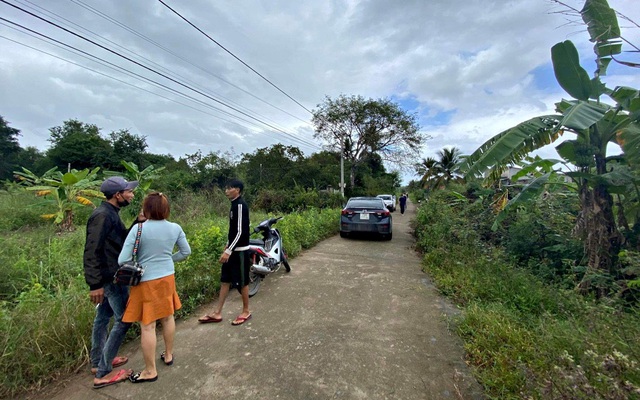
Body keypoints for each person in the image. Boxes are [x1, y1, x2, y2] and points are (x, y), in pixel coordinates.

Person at [118, 192, 191, 383]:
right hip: (167, 277)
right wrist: (168, 259)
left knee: (148, 325)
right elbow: (186, 251)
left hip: (145, 281)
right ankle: (168, 355)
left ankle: (150, 371)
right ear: (166, 209)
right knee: (168, 317)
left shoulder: (138, 230)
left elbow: (123, 259)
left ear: (146, 209)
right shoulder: (175, 228)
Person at [84, 176, 139, 389]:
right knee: (124, 319)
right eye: (129, 192)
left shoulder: (111, 213)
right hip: (110, 278)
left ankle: (98, 362)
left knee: (103, 316)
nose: (132, 195)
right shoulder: (102, 216)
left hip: (111, 274)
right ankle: (103, 373)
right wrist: (94, 284)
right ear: (118, 195)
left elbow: (120, 241)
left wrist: (137, 222)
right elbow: (91, 250)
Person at [199, 178, 252, 326]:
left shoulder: (240, 205)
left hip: (240, 251)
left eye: (230, 188)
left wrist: (229, 250)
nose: (227, 191)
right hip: (232, 250)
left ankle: (246, 311)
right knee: (225, 280)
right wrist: (227, 245)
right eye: (226, 188)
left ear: (238, 190)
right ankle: (217, 313)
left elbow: (241, 231)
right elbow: (233, 230)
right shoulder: (233, 205)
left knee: (243, 282)